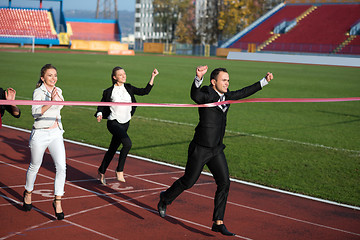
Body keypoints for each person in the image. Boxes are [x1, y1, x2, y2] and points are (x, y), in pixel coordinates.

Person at [157, 65, 273, 236]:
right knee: (188, 182)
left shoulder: (227, 96)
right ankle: (165, 198)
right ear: (213, 82)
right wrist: (197, 78)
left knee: (225, 182)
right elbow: (195, 96)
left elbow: (244, 92)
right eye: (224, 80)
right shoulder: (206, 93)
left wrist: (264, 81)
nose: (227, 83)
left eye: (228, 80)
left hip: (216, 149)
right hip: (200, 148)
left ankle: (218, 222)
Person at [95, 66, 159, 185]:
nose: (124, 76)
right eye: (120, 75)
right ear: (115, 77)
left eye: (124, 74)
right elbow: (101, 104)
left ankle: (101, 170)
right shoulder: (109, 91)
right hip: (113, 122)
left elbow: (144, 91)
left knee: (113, 148)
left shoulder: (128, 87)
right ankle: (119, 170)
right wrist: (99, 113)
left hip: (125, 123)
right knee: (127, 143)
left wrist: (153, 77)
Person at [23, 64, 66, 220]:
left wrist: (56, 98)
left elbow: (61, 105)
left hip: (56, 132)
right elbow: (35, 113)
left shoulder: (58, 90)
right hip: (40, 133)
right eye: (50, 75)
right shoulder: (38, 92)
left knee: (61, 166)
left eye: (55, 75)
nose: (53, 78)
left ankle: (58, 200)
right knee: (35, 165)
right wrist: (51, 101)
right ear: (43, 78)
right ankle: (28, 192)